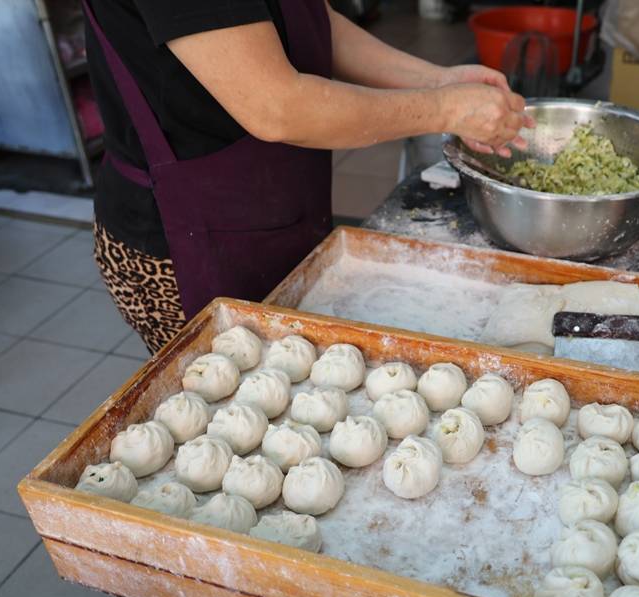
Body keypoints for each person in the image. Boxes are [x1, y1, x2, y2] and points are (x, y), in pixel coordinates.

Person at [85, 0, 533, 353]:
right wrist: (447, 108)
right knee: (233, 406)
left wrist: (438, 81)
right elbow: (278, 108)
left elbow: (312, 21)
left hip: (267, 216)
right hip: (180, 241)